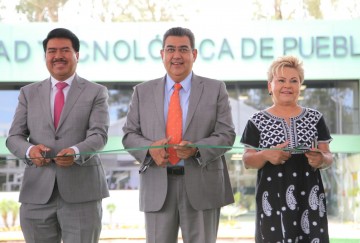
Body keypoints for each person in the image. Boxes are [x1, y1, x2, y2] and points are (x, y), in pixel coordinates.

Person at [122, 27, 235, 243]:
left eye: (183, 49)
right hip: (158, 185)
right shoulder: (142, 92)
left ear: (194, 54)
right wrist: (149, 150)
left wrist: (197, 149)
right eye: (170, 49)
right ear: (162, 54)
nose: (177, 56)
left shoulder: (215, 89)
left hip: (202, 184)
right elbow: (129, 135)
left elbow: (226, 133)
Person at [6, 28, 110, 243]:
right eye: (52, 51)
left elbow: (99, 135)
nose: (58, 56)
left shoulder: (96, 92)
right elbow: (14, 136)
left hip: (82, 193)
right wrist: (29, 150)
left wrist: (75, 151)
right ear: (46, 56)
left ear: (77, 55)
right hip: (36, 195)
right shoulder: (28, 93)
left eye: (65, 50)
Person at [240, 55, 333, 242]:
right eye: (281, 80)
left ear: (300, 86)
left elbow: (328, 156)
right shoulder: (256, 121)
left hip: (309, 196)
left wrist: (321, 159)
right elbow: (247, 160)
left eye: (294, 81)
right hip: (272, 198)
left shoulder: (315, 118)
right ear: (270, 86)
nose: (287, 85)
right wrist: (266, 155)